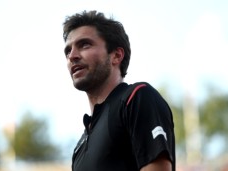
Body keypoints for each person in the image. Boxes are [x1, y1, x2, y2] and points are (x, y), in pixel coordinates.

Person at [62, 10, 175, 171]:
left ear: (116, 55)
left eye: (84, 44)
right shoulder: (79, 148)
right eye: (67, 51)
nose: (72, 56)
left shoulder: (137, 97)